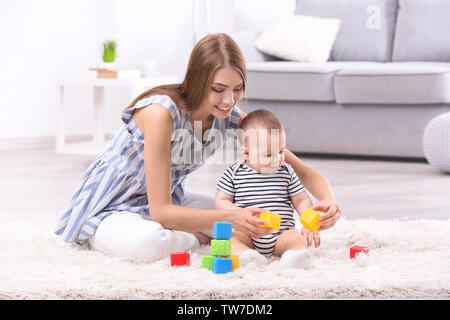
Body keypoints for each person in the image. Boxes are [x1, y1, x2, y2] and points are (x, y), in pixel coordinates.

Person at [54, 33, 341, 263]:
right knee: (148, 243)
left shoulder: (228, 117)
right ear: (197, 80)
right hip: (111, 206)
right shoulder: (161, 114)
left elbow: (302, 171)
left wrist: (327, 202)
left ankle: (208, 235)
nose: (229, 100)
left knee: (250, 218)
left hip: (168, 201)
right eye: (218, 89)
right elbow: (161, 213)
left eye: (237, 88)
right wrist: (229, 217)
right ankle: (198, 240)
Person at [215, 109, 320, 268]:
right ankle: (248, 256)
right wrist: (238, 212)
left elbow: (301, 200)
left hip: (281, 234)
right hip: (248, 233)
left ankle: (294, 257)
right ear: (247, 153)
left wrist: (309, 224)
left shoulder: (287, 171)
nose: (277, 159)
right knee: (231, 240)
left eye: (280, 151)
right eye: (269, 154)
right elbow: (221, 200)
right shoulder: (234, 172)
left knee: (296, 239)